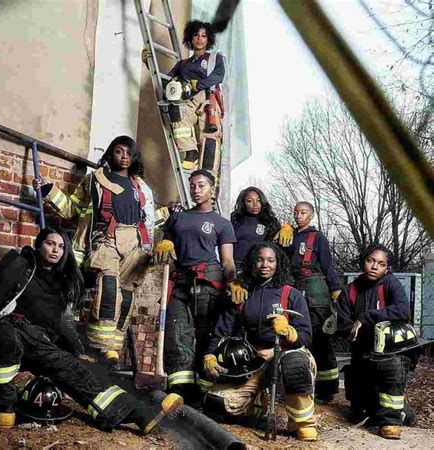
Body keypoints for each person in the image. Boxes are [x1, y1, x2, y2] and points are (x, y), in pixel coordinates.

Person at [0, 228, 182, 430]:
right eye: (50, 243)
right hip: (1, 332)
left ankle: (139, 413)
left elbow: (61, 325)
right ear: (39, 245)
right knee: (5, 336)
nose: (55, 249)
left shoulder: (61, 284)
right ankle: (4, 407)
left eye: (61, 246)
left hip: (35, 341)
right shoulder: (20, 265)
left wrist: (79, 353)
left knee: (77, 370)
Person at [36, 136, 154, 367]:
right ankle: (100, 343)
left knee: (127, 293)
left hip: (135, 244)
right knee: (109, 284)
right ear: (111, 153)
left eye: (128, 153)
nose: (123, 156)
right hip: (105, 239)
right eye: (118, 151)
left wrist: (167, 223)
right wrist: (48, 190)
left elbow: (150, 221)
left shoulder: (141, 187)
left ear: (133, 158)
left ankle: (113, 348)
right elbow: (72, 209)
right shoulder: (94, 180)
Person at [202, 241, 317, 441]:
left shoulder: (291, 295)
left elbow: (306, 336)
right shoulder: (243, 294)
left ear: (278, 263)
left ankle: (303, 423)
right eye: (260, 260)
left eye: (270, 260)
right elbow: (222, 331)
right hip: (254, 363)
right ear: (252, 263)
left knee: (295, 365)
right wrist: (210, 354)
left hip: (285, 355)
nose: (265, 265)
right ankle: (256, 405)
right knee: (217, 404)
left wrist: (288, 333)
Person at [153, 169, 236, 404]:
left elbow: (227, 260)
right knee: (177, 334)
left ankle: (205, 394)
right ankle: (180, 392)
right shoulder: (179, 218)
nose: (196, 190)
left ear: (212, 189)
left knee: (205, 336)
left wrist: (233, 283)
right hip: (180, 281)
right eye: (192, 186)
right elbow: (163, 238)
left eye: (201, 185)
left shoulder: (222, 223)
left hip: (209, 282)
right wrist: (165, 241)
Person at [336, 244, 415, 440]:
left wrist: (367, 317)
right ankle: (400, 410)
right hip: (362, 354)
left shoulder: (391, 284)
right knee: (361, 414)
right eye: (370, 261)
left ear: (387, 268)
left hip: (391, 354)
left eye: (381, 264)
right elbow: (343, 324)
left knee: (392, 371)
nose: (374, 267)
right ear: (363, 261)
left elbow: (403, 311)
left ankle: (392, 420)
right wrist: (351, 332)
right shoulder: (350, 290)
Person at [143, 20, 225, 175]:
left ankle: (208, 180)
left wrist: (198, 85)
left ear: (209, 39)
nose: (199, 38)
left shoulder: (214, 59)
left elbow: (219, 75)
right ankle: (190, 153)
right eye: (196, 35)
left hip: (207, 100)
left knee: (208, 140)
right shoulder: (183, 64)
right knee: (177, 112)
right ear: (190, 38)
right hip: (186, 99)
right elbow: (165, 82)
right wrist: (149, 63)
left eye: (203, 35)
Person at [284, 202, 342, 404]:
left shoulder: (318, 238)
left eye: (303, 212)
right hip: (293, 287)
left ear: (311, 215)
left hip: (316, 289)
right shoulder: (289, 237)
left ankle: (326, 390)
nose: (299, 216)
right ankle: (300, 384)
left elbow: (328, 266)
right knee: (296, 337)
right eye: (296, 212)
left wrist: (336, 291)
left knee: (320, 338)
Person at [231, 186, 293, 273]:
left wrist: (288, 228)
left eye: (258, 200)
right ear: (243, 203)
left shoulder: (270, 222)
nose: (255, 204)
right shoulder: (235, 221)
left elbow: (281, 247)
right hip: (237, 267)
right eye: (249, 201)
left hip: (261, 268)